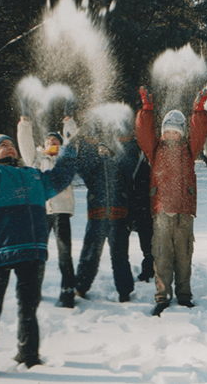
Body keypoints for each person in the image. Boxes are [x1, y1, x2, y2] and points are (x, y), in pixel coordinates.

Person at [0, 129, 77, 382]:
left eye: (11, 144)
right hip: (0, 250)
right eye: (2, 145)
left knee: (29, 306)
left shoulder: (34, 176)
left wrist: (70, 150)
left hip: (32, 250)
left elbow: (61, 176)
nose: (10, 147)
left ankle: (29, 355)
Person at [135, 86, 207, 316]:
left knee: (184, 254)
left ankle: (184, 295)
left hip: (185, 212)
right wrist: (147, 109)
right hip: (161, 211)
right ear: (162, 132)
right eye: (167, 130)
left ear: (181, 132)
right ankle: (162, 296)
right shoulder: (154, 149)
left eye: (175, 130)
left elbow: (200, 132)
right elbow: (143, 133)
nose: (171, 134)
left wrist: (198, 110)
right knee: (162, 255)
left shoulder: (189, 149)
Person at [74, 124, 138, 302]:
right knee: (90, 254)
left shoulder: (120, 165)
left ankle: (124, 291)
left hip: (119, 218)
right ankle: (80, 287)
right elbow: (85, 161)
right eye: (99, 148)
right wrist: (87, 142)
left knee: (120, 256)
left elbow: (130, 159)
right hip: (97, 217)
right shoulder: (92, 169)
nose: (102, 151)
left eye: (105, 148)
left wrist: (127, 141)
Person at [17, 117, 76, 308]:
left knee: (64, 253)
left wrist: (68, 125)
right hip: (40, 211)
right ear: (43, 145)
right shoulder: (36, 160)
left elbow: (72, 141)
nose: (52, 143)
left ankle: (68, 291)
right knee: (38, 253)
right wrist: (25, 126)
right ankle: (35, 289)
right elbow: (26, 146)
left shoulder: (63, 161)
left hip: (61, 211)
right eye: (49, 141)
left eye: (56, 141)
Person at [128, 147, 154, 282]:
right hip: (132, 209)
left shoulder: (145, 167)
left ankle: (149, 269)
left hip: (145, 209)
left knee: (148, 242)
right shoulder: (127, 166)